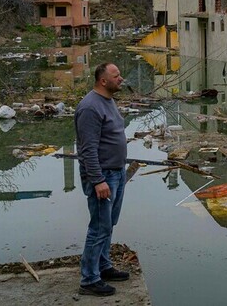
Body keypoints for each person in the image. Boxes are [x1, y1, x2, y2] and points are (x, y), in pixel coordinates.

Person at [75, 62, 129, 296]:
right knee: (98, 227)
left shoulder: (108, 100)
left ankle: (103, 266)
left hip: (116, 173)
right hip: (103, 177)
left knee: (108, 224)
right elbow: (87, 149)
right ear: (103, 81)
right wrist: (98, 181)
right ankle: (89, 279)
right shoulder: (89, 108)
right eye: (116, 76)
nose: (121, 79)